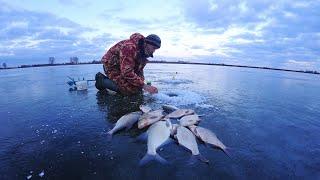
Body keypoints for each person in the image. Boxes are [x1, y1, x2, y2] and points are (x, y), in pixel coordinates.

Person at [95, 33, 160, 95]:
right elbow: (127, 72)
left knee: (137, 88)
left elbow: (139, 70)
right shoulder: (129, 47)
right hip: (112, 66)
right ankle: (101, 81)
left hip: (123, 67)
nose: (154, 51)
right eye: (153, 48)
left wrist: (141, 84)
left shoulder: (143, 51)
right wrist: (144, 86)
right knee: (128, 90)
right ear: (146, 43)